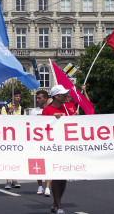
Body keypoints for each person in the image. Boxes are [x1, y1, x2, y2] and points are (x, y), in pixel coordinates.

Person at [42, 85, 71, 214]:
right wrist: (53, 118)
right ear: (56, 96)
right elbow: (41, 127)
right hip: (52, 148)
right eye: (63, 94)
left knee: (63, 177)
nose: (66, 96)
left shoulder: (66, 108)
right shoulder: (47, 110)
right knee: (56, 175)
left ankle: (55, 203)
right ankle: (58, 206)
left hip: (65, 147)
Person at [30, 90, 52, 196]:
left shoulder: (50, 110)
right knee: (38, 163)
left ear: (45, 99)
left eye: (39, 98)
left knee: (48, 163)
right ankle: (40, 186)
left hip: (48, 140)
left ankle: (47, 187)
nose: (37, 100)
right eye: (37, 98)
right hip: (37, 141)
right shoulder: (34, 111)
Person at [1, 90, 23, 190]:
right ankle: (8, 180)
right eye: (16, 96)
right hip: (7, 137)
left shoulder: (22, 110)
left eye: (19, 96)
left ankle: (14, 179)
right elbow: (3, 121)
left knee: (15, 158)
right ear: (11, 98)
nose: (18, 98)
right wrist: (10, 111)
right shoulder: (5, 108)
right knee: (7, 158)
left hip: (17, 137)